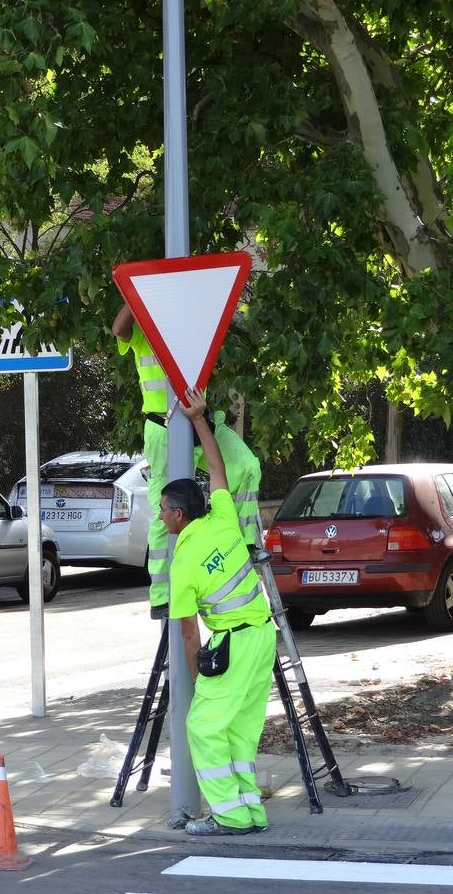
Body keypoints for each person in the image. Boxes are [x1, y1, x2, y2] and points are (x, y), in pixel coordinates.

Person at [161, 386, 276, 836]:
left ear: (179, 516)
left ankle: (228, 816)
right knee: (239, 733)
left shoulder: (183, 563)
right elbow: (217, 467)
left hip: (231, 645)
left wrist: (195, 678)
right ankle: (251, 811)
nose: (161, 516)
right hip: (262, 637)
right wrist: (198, 419)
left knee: (204, 728)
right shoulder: (223, 515)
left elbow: (190, 634)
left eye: (164, 510)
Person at [112, 304, 265, 619]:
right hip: (162, 426)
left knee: (246, 467)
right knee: (162, 509)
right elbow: (118, 329)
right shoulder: (144, 331)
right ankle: (161, 596)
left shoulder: (197, 328)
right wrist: (133, 296)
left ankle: (246, 542)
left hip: (199, 420)